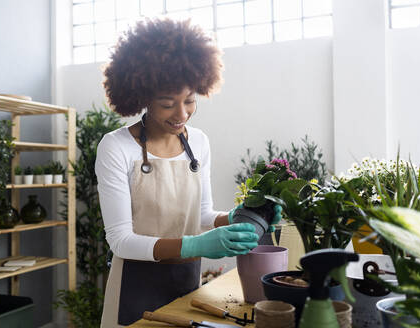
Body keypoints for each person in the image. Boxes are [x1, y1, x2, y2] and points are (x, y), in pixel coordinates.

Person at [95, 18, 282, 327]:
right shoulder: (116, 148)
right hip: (133, 286)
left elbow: (202, 214)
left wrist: (234, 218)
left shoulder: (198, 142)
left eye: (190, 101)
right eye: (168, 104)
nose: (181, 114)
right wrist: (195, 245)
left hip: (186, 284)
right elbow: (120, 241)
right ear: (143, 98)